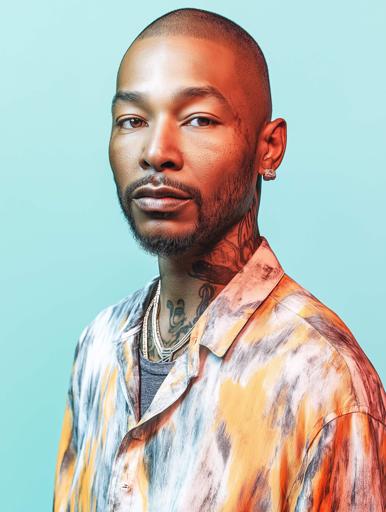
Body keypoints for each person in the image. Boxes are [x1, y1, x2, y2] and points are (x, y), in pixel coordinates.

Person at [53, 7, 385, 512]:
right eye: (132, 120)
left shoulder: (324, 381)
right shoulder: (98, 347)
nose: (156, 151)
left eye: (198, 119)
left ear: (269, 148)